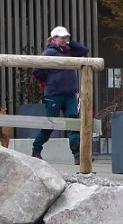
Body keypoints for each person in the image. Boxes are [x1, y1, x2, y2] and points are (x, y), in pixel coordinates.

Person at [30, 26, 89, 162]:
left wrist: (71, 43)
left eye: (66, 37)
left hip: (70, 94)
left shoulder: (69, 51)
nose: (64, 40)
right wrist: (50, 79)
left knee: (73, 124)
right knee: (50, 124)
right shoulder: (49, 52)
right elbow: (36, 70)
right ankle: (36, 149)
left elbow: (84, 50)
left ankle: (77, 154)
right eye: (62, 37)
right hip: (54, 94)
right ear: (54, 38)